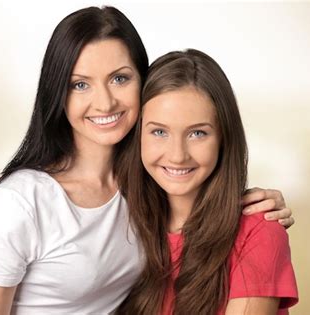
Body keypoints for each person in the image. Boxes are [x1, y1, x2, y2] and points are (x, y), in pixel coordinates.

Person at [0, 6, 295, 314]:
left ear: (144, 85)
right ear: (57, 95)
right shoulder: (17, 204)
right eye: (80, 84)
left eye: (120, 78)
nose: (105, 102)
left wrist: (250, 207)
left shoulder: (143, 189)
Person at [117, 49, 298, 315]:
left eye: (198, 133)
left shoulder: (258, 232)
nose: (177, 155)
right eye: (159, 131)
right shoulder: (121, 224)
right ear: (138, 136)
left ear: (224, 138)